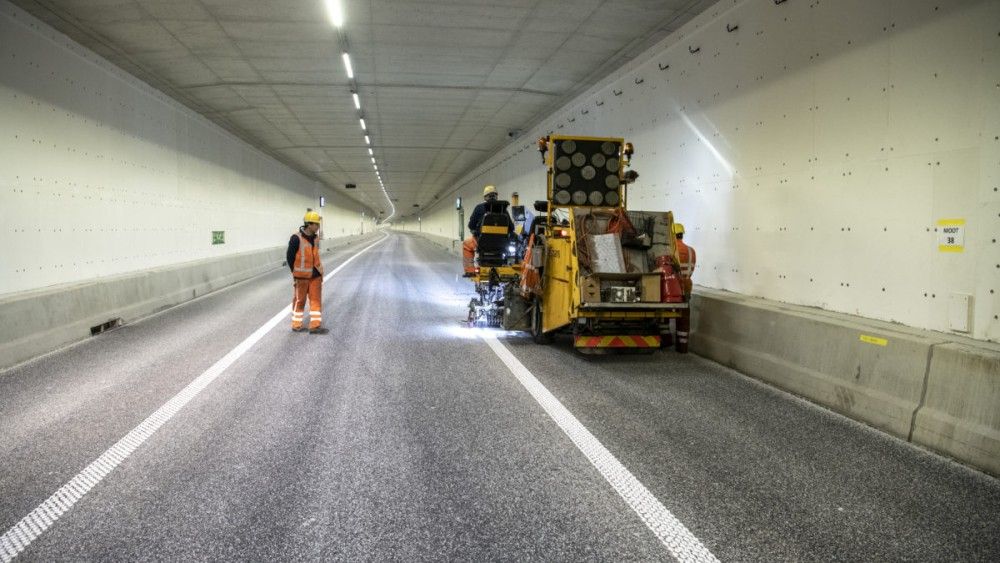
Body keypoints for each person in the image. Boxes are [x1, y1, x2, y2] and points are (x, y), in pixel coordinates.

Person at [287, 210, 329, 334]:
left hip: (315, 275)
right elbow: (290, 257)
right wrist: (294, 273)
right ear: (309, 224)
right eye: (316, 224)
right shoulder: (296, 238)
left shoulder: (316, 239)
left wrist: (320, 271)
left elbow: (315, 255)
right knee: (300, 300)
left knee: (316, 300)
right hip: (301, 276)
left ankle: (315, 326)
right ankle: (296, 324)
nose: (318, 227)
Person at [462, 184, 499, 276]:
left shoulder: (479, 208)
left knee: (466, 244)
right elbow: (511, 227)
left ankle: (470, 270)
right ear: (496, 195)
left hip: (482, 242)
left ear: (485, 197)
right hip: (501, 244)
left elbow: (471, 225)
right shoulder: (503, 209)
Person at [673, 222, 696, 352]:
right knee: (684, 315)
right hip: (687, 285)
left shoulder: (672, 249)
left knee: (664, 315)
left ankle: (666, 340)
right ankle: (682, 346)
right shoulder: (691, 251)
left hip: (673, 285)